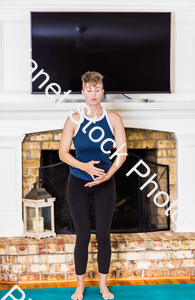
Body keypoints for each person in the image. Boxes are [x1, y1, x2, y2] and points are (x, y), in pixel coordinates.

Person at [59, 71, 127, 300]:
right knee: (83, 234)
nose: (94, 93)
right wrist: (84, 167)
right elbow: (62, 153)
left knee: (104, 235)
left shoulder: (114, 119)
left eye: (97, 89)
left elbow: (122, 152)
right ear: (83, 92)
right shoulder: (74, 119)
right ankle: (79, 286)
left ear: (103, 91)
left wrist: (110, 173)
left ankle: (103, 286)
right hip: (78, 182)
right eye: (89, 89)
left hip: (105, 183)